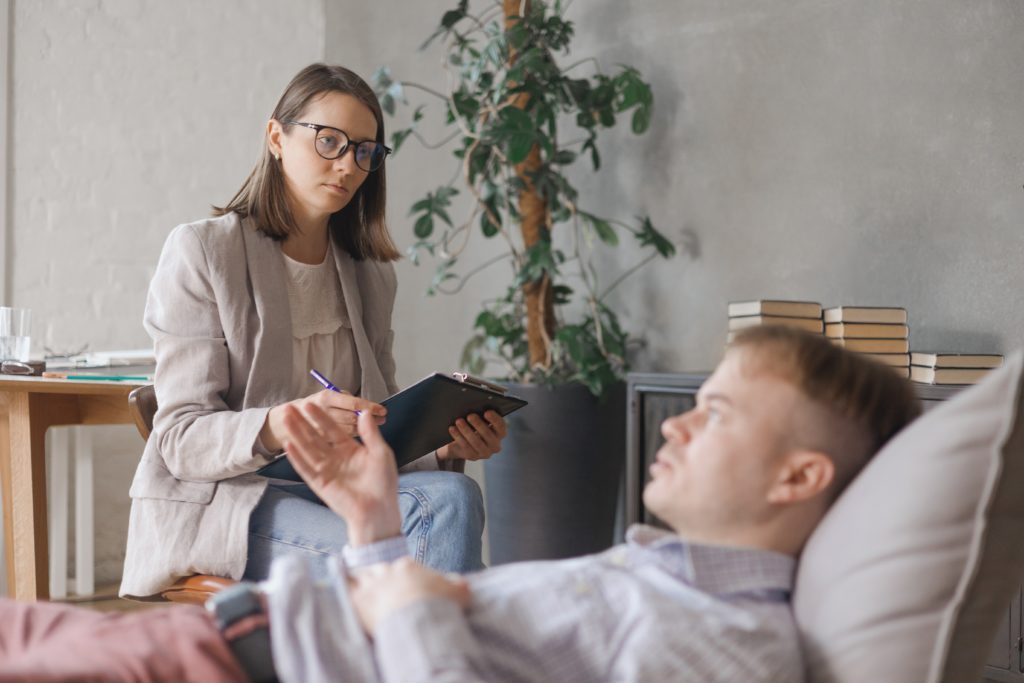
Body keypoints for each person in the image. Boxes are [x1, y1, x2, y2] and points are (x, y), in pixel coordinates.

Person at [2, 326, 921, 681]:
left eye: (714, 413)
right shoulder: (674, 579)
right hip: (261, 631)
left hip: (249, 659)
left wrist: (401, 595)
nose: (676, 426)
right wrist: (372, 527)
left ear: (799, 477)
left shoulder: (726, 642)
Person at [119, 63, 507, 599]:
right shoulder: (204, 252)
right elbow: (181, 438)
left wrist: (443, 443)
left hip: (341, 489)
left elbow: (380, 430)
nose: (348, 164)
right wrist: (283, 424)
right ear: (276, 137)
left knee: (454, 494)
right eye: (329, 141)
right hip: (236, 502)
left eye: (364, 151)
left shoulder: (371, 274)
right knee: (414, 542)